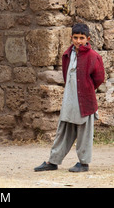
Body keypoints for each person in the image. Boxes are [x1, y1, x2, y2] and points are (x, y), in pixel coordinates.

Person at [34, 23, 105, 173]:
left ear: (88, 38)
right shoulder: (67, 54)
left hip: (85, 100)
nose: (79, 41)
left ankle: (83, 163)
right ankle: (53, 161)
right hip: (70, 99)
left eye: (82, 38)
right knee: (63, 130)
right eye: (76, 37)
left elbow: (99, 78)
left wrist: (86, 88)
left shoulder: (93, 57)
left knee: (84, 133)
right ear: (71, 37)